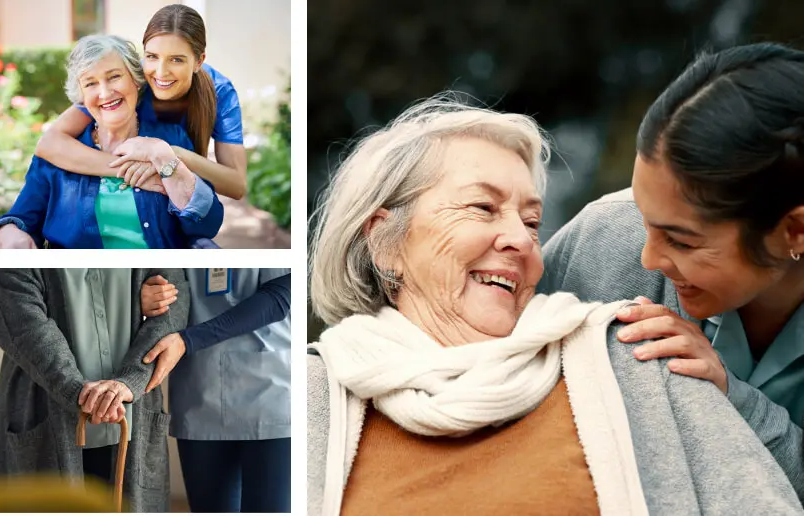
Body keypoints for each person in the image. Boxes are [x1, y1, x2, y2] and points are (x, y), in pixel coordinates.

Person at [306, 95, 801, 516]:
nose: (522, 241)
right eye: (483, 207)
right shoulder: (310, 392)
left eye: (533, 222)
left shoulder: (638, 352)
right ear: (385, 243)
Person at [539, 42, 804, 496]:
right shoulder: (604, 240)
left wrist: (726, 398)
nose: (649, 260)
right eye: (643, 217)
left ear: (794, 230)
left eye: (681, 240)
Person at [0, 34, 223, 249]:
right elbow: (20, 219)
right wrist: (7, 234)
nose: (105, 92)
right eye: (90, 83)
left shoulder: (171, 138)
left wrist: (163, 157)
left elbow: (207, 224)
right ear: (81, 96)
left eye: (114, 77)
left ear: (136, 80)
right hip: (80, 286)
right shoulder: (56, 158)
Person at [0, 268, 188, 513]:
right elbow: (24, 325)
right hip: (45, 418)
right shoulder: (19, 246)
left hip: (132, 421)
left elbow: (172, 307)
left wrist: (128, 383)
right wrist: (80, 393)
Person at [34, 3, 248, 199]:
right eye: (152, 56)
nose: (161, 72)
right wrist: (129, 169)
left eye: (176, 59)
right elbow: (49, 143)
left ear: (198, 61)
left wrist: (169, 155)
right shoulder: (129, 80)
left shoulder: (220, 91)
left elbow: (236, 186)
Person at [137, 268, 291, 512]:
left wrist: (188, 340)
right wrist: (142, 297)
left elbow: (281, 296)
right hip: (198, 391)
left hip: (270, 394)